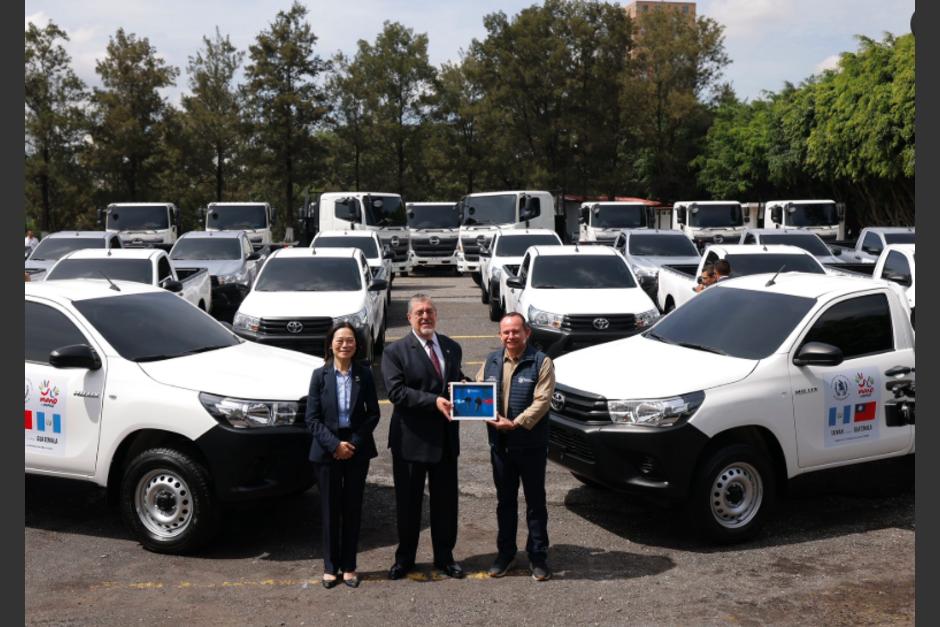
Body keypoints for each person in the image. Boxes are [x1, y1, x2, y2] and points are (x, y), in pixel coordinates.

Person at [381, 294, 465, 580]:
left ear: (436, 314)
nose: (425, 316)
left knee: (445, 504)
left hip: (445, 440)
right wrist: (433, 402)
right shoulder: (395, 352)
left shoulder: (452, 348)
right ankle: (405, 559)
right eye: (419, 312)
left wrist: (473, 388)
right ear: (409, 318)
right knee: (408, 504)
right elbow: (396, 392)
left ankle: (445, 557)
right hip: (411, 441)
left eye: (430, 311)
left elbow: (456, 381)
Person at [477, 312, 555, 582]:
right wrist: (476, 408)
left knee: (535, 503)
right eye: (506, 332)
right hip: (500, 446)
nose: (510, 336)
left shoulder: (541, 362)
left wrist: (517, 423)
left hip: (530, 445)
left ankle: (538, 556)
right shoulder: (491, 360)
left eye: (515, 332)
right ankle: (506, 553)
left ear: (527, 333)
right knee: (505, 502)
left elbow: (542, 400)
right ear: (500, 335)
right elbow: (478, 391)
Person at [305, 322, 380, 589]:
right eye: (340, 340)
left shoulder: (365, 375)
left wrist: (353, 443)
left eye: (350, 340)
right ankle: (329, 567)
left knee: (352, 509)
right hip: (327, 451)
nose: (345, 344)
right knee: (329, 510)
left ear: (357, 345)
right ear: (330, 344)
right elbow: (311, 419)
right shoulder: (319, 375)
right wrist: (334, 445)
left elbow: (374, 413)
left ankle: (349, 566)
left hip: (356, 449)